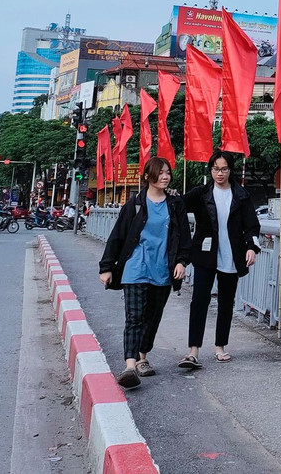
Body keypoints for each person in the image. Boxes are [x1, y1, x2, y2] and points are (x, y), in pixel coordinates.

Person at [98, 157, 191, 390]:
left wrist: (181, 262)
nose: (165, 177)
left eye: (168, 173)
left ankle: (142, 356)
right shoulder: (135, 204)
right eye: (160, 173)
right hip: (135, 267)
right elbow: (118, 235)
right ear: (148, 176)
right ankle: (130, 366)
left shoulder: (175, 204)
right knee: (134, 317)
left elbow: (184, 238)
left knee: (153, 316)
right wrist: (107, 267)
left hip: (162, 269)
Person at [178, 149, 261, 370]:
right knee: (199, 300)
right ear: (211, 170)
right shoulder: (201, 193)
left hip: (232, 256)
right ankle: (193, 350)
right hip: (205, 255)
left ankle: (220, 347)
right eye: (216, 169)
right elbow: (177, 207)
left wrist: (252, 247)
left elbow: (252, 225)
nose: (220, 173)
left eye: (224, 169)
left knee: (226, 302)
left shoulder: (241, 195)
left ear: (230, 170)